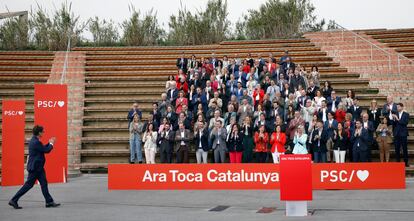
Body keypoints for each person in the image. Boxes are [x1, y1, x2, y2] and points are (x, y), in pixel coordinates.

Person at [9, 125, 60, 209]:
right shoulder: (36, 142)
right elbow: (46, 150)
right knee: (28, 185)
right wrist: (51, 143)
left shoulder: (35, 140)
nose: (43, 133)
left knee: (44, 184)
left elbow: (42, 148)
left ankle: (49, 201)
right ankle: (14, 200)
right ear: (39, 132)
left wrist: (49, 143)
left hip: (38, 168)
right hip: (35, 168)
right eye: (43, 131)